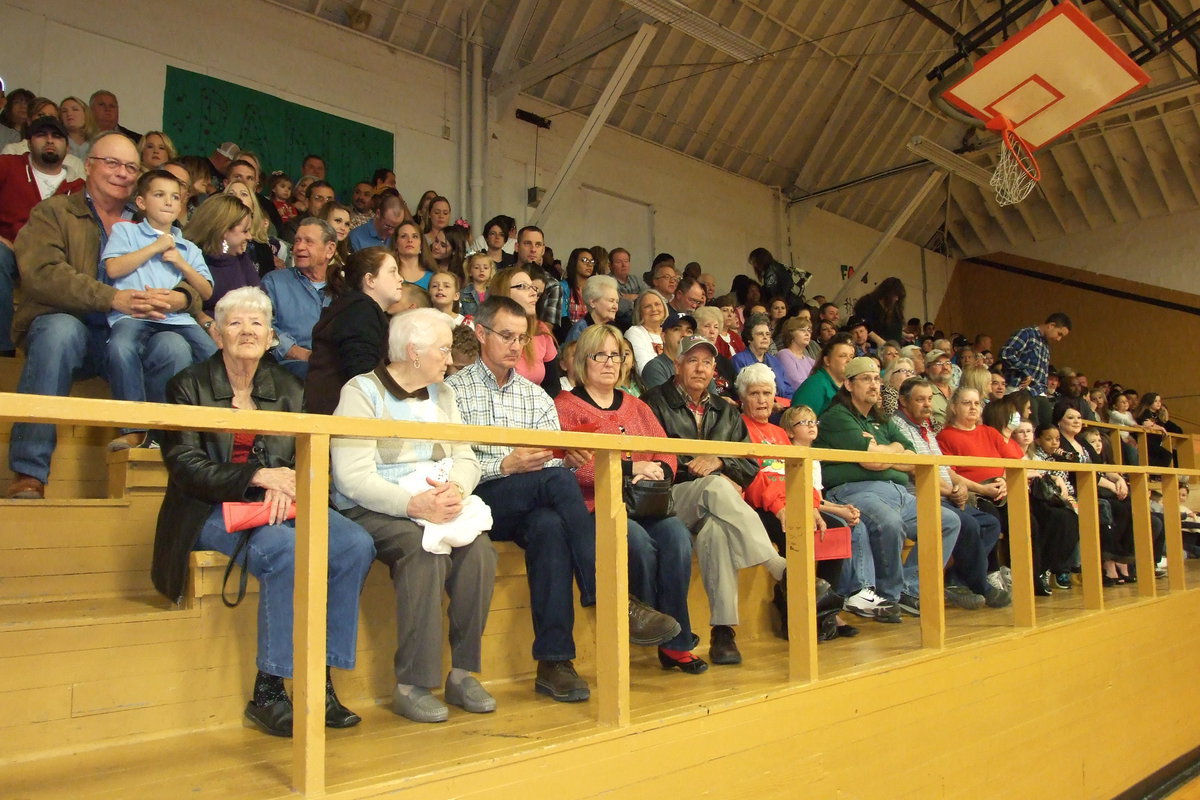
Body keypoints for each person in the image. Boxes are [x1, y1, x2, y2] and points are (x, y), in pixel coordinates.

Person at [149, 286, 375, 737]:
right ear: (216, 334)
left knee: (354, 543)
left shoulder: (290, 389)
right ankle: (269, 689)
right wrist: (256, 477)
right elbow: (185, 466)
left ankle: (320, 679)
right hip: (208, 507)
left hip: (281, 500)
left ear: (272, 335)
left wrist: (286, 483)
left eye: (256, 323)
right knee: (284, 550)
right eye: (234, 322)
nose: (246, 331)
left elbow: (302, 458)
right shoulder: (186, 386)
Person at [446, 296, 678, 702]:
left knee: (550, 526)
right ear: (480, 334)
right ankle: (607, 594)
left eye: (522, 338)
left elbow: (556, 468)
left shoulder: (535, 396)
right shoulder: (453, 392)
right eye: (506, 336)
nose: (516, 346)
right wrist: (506, 464)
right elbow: (453, 463)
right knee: (555, 488)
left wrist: (568, 462)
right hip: (478, 495)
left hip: (535, 497)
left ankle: (554, 662)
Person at [6, 132, 203, 499]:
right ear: (89, 165)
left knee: (174, 345)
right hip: (71, 324)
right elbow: (44, 273)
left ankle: (162, 463)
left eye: (131, 166)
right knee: (59, 332)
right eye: (112, 163)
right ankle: (29, 471)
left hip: (134, 331)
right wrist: (113, 298)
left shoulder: (150, 220)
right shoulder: (54, 211)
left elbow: (191, 273)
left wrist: (181, 298)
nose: (123, 173)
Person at [332, 308, 498, 722]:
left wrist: (454, 491)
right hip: (375, 507)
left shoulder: (444, 394)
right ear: (413, 352)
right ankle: (412, 683)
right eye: (443, 350)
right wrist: (412, 505)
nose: (450, 358)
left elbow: (466, 457)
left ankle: (461, 672)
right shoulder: (362, 392)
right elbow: (351, 478)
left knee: (479, 550)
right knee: (421, 551)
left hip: (433, 501)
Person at [555, 324, 706, 673]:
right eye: (599, 355)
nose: (609, 362)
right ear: (581, 360)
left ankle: (674, 640)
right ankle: (659, 627)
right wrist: (629, 467)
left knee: (677, 537)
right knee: (636, 542)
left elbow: (665, 451)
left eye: (616, 355)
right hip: (597, 507)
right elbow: (573, 466)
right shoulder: (565, 407)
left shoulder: (637, 406)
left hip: (647, 501)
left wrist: (657, 470)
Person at [642, 334, 790, 665]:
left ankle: (723, 632)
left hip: (715, 504)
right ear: (677, 364)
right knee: (713, 486)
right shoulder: (653, 401)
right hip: (668, 497)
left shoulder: (725, 409)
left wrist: (720, 461)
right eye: (692, 360)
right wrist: (704, 466)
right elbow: (649, 457)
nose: (700, 368)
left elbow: (750, 464)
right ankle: (775, 565)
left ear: (714, 369)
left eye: (707, 362)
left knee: (717, 533)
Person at [816, 357, 960, 616]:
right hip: (854, 490)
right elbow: (872, 461)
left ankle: (909, 588)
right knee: (889, 522)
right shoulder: (836, 417)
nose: (874, 385)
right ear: (848, 384)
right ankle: (888, 594)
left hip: (898, 491)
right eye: (866, 379)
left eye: (876, 379)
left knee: (948, 520)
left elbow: (912, 455)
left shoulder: (883, 418)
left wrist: (886, 452)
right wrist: (892, 454)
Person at [737, 365, 858, 639]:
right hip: (761, 506)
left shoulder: (780, 433)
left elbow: (800, 475)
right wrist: (781, 507)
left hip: (791, 502)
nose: (762, 400)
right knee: (792, 529)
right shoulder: (738, 427)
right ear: (743, 399)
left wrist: (813, 505)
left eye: (767, 393)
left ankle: (825, 610)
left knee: (835, 526)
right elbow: (752, 478)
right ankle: (792, 613)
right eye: (754, 393)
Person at [101, 170, 218, 449]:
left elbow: (206, 291)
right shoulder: (125, 230)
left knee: (215, 356)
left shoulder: (187, 246)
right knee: (119, 347)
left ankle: (215, 432)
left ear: (181, 206)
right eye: (159, 195)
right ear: (141, 202)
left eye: (175, 197)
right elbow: (113, 268)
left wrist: (181, 263)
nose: (168, 202)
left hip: (176, 318)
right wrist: (155, 247)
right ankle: (134, 428)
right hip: (133, 314)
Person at [893, 379, 1011, 610]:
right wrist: (952, 491)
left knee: (989, 523)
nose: (927, 404)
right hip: (921, 496)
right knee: (967, 524)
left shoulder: (926, 428)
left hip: (946, 495)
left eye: (929, 399)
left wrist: (961, 488)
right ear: (904, 402)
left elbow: (946, 468)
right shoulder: (898, 426)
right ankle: (981, 586)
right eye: (920, 399)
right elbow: (918, 471)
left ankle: (958, 581)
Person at [0, 115, 85, 357]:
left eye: (57, 136)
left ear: (67, 148)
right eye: (41, 135)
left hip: (55, 261)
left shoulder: (78, 187)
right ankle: (3, 347)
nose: (50, 141)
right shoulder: (7, 166)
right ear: (28, 142)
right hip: (9, 252)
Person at [305, 246, 404, 415]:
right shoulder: (361, 310)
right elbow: (363, 371)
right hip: (342, 419)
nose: (400, 278)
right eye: (392, 272)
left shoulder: (355, 307)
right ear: (370, 280)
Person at [261, 218, 337, 379]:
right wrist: (297, 352)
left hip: (337, 367)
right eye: (297, 241)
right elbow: (264, 325)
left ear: (329, 249)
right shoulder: (273, 282)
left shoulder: (345, 287)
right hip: (289, 368)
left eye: (309, 242)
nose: (299, 247)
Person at [186, 194, 259, 336]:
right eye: (245, 231)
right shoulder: (192, 258)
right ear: (224, 231)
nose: (250, 237)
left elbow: (262, 302)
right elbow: (189, 307)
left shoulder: (241, 258)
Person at [488, 266, 558, 389]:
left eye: (533, 288)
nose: (534, 293)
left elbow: (553, 387)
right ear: (502, 292)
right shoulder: (486, 332)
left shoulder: (540, 330)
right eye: (523, 286)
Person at [1000, 312, 1071, 397]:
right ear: (1051, 326)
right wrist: (1025, 371)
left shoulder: (1046, 345)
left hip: (1039, 391)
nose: (1059, 339)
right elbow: (1006, 354)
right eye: (1059, 334)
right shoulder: (1027, 334)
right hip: (1019, 387)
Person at [731, 314, 796, 399]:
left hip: (782, 408)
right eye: (760, 334)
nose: (765, 337)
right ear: (749, 338)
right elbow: (742, 393)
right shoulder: (739, 360)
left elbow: (788, 390)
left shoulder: (775, 361)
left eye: (767, 334)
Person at [790, 334, 855, 415]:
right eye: (843, 356)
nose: (849, 360)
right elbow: (798, 421)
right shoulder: (815, 385)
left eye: (851, 356)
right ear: (827, 360)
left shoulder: (850, 387)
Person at [641, 313, 694, 391]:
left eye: (689, 331)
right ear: (663, 337)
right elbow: (664, 402)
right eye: (677, 329)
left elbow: (714, 401)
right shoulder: (655, 367)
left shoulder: (699, 366)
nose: (684, 335)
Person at [564, 274, 620, 344]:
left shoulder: (614, 329)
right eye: (611, 301)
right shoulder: (579, 331)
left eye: (617, 302)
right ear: (593, 302)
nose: (615, 307)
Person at [853, 277, 907, 346]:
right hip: (874, 347)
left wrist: (904, 335)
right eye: (895, 295)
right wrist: (884, 344)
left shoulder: (895, 308)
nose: (897, 299)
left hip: (893, 348)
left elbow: (892, 328)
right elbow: (863, 326)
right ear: (887, 293)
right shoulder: (867, 303)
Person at [624, 289, 668, 374]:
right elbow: (644, 369)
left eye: (657, 304)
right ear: (639, 312)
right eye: (647, 306)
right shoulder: (634, 333)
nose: (654, 309)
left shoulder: (670, 332)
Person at [394, 218, 436, 290]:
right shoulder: (390, 275)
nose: (410, 240)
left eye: (415, 236)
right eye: (403, 236)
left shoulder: (434, 278)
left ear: (421, 245)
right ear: (396, 244)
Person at [776, 317, 816, 391]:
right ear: (791, 334)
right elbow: (795, 382)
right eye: (802, 330)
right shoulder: (784, 354)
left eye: (809, 330)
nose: (807, 334)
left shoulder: (811, 361)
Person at [609, 247, 646, 322]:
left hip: (639, 320)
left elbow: (648, 295)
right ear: (610, 266)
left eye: (626, 261)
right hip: (617, 322)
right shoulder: (607, 282)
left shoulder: (636, 279)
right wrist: (637, 299)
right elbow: (618, 308)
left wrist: (624, 298)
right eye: (619, 262)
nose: (624, 265)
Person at [564, 247, 596, 326]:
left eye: (592, 261)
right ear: (574, 262)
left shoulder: (595, 289)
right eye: (584, 260)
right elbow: (562, 320)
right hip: (570, 335)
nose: (589, 264)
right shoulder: (563, 287)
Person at [58, 96, 97, 160]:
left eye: (75, 109)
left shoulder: (98, 142)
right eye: (64, 111)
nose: (69, 114)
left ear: (86, 114)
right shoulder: (58, 143)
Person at [924, 349, 954, 430]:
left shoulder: (958, 392)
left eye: (947, 363)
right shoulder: (924, 394)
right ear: (927, 369)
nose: (945, 367)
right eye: (938, 364)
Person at [459, 252, 492, 318]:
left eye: (485, 268)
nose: (481, 270)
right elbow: (459, 315)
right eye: (477, 267)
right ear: (470, 272)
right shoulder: (462, 294)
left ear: (490, 271)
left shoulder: (494, 293)